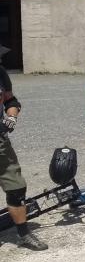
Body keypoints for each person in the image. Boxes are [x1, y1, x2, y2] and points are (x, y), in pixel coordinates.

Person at [0, 45, 47, 250]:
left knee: (16, 187)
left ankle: (24, 234)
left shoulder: (1, 75)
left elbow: (11, 100)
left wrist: (11, 117)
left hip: (1, 144)